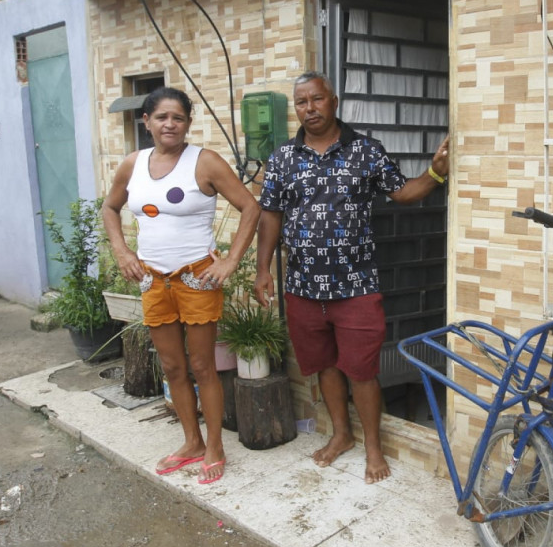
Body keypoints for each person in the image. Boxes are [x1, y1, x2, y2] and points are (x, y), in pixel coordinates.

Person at [254, 71, 449, 484]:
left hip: (356, 285)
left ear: (334, 100)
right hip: (304, 287)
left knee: (361, 370)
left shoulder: (366, 152)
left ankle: (373, 448)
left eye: (317, 99)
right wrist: (261, 270)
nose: (310, 108)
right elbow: (269, 215)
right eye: (302, 102)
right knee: (324, 365)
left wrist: (434, 174)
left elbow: (402, 192)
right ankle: (341, 435)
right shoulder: (283, 159)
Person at [103, 87, 260, 484]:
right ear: (147, 122)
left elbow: (250, 207)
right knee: (173, 366)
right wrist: (123, 252)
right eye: (161, 117)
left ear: (188, 123)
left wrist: (230, 260)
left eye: (178, 117)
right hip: (152, 280)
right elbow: (110, 208)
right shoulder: (132, 165)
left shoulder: (203, 162)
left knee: (203, 365)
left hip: (196, 277)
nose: (169, 124)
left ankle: (215, 446)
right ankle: (191, 441)